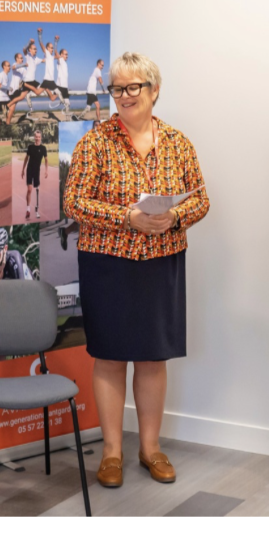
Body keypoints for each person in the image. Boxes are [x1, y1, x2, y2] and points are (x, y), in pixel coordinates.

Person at [63, 53, 210, 490]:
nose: (124, 96)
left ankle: (150, 449)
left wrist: (175, 218)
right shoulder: (95, 142)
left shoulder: (178, 142)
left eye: (133, 88)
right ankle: (112, 453)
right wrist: (125, 217)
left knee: (151, 357)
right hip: (107, 262)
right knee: (109, 357)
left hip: (161, 261)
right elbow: (74, 203)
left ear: (153, 89)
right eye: (117, 89)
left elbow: (200, 200)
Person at [22, 129, 48, 222]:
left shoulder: (43, 148)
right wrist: (22, 169)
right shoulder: (30, 147)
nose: (37, 138)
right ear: (34, 137)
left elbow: (46, 160)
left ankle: (36, 210)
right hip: (29, 170)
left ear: (41, 138)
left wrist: (46, 171)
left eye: (39, 137)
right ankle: (28, 209)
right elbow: (26, 158)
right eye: (36, 137)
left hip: (37, 171)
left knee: (37, 190)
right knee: (29, 190)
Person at [0, 60, 14, 126]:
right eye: (8, 66)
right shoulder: (0, 75)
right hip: (0, 99)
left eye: (9, 66)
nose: (10, 67)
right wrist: (8, 88)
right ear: (4, 67)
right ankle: (0, 123)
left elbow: (6, 89)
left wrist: (10, 94)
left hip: (6, 98)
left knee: (12, 107)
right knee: (9, 109)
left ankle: (7, 123)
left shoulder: (7, 76)